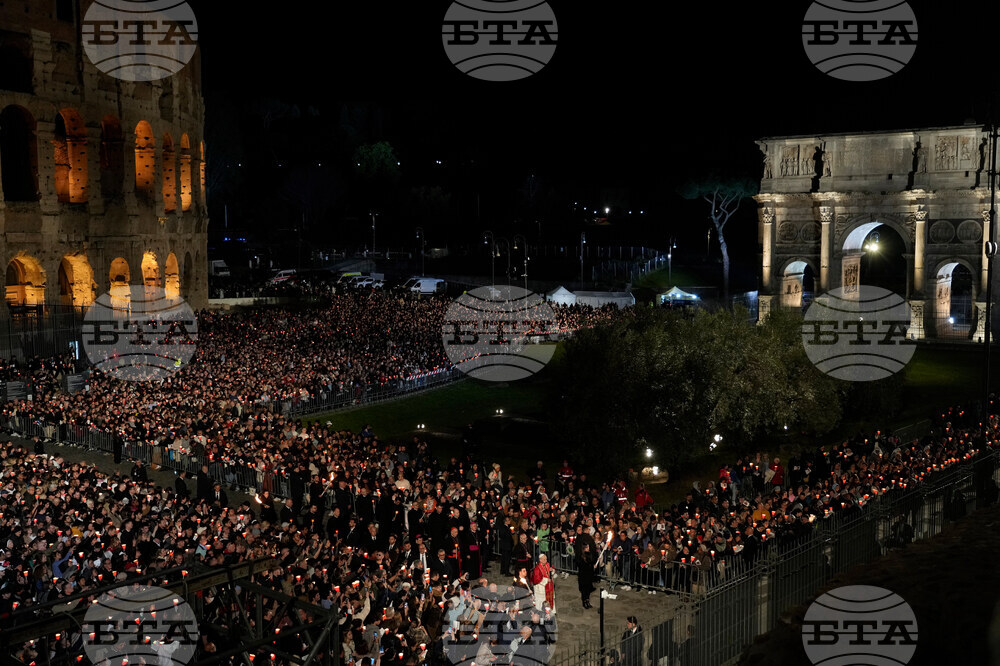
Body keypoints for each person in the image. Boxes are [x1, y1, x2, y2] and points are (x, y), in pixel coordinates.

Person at [576, 540, 596, 609]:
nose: (588, 548)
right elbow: (583, 566)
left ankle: (587, 601)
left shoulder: (589, 554)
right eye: (587, 547)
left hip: (588, 575)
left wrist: (593, 565)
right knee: (584, 590)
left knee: (588, 590)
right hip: (583, 576)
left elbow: (591, 562)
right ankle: (584, 602)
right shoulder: (581, 557)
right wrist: (591, 566)